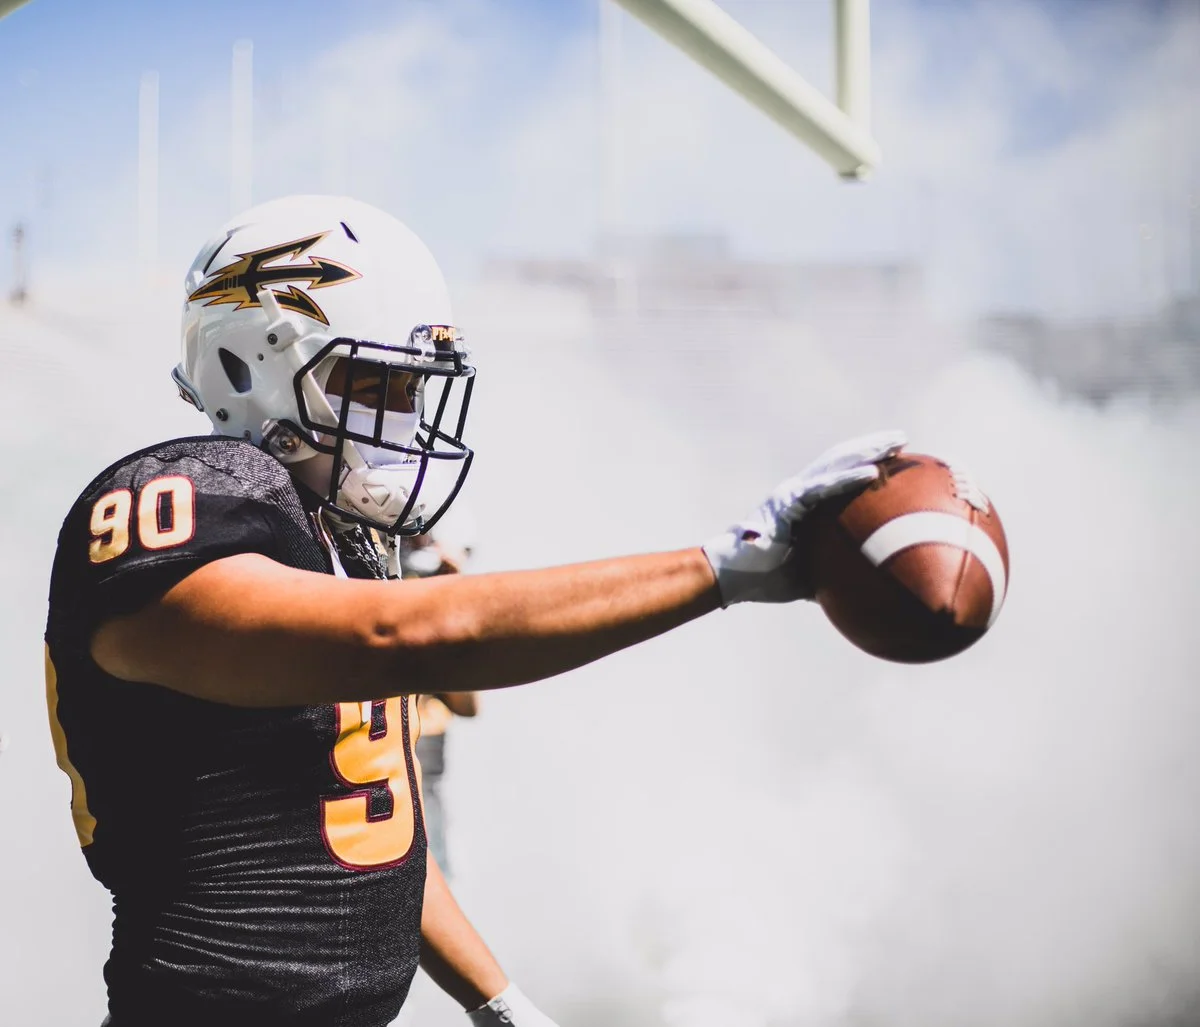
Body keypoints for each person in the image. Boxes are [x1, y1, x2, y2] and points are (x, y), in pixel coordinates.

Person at [43, 194, 905, 1027]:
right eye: (379, 384)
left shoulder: (330, 536)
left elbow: (370, 828)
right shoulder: (186, 497)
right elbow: (413, 637)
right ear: (248, 362)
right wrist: (721, 566)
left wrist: (497, 1000)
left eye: (415, 391)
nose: (407, 419)